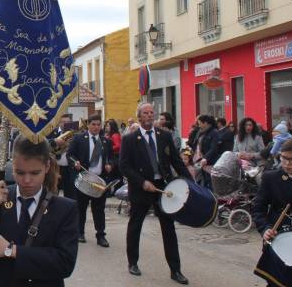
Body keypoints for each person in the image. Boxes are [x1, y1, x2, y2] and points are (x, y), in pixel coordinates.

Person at [0, 134, 78, 287]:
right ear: (12, 165)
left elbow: (65, 263)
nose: (27, 180)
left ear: (47, 166)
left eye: (35, 173)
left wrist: (11, 250)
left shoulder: (64, 208)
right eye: (20, 172)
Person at [119, 103, 191, 285]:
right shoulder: (129, 139)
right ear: (139, 117)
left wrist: (190, 182)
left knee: (169, 228)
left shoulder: (164, 136)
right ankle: (133, 262)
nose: (150, 116)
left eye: (152, 113)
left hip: (163, 188)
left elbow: (176, 161)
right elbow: (124, 166)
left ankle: (175, 270)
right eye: (146, 113)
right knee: (135, 226)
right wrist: (142, 182)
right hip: (142, 187)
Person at [253, 138, 292, 286]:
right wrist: (265, 229)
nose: (287, 164)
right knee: (276, 281)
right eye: (283, 158)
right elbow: (258, 209)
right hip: (279, 238)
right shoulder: (271, 178)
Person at [67, 115, 113, 247]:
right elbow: (70, 155)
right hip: (84, 180)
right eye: (93, 124)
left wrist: (110, 165)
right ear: (88, 125)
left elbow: (112, 158)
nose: (96, 127)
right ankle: (80, 232)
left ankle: (101, 235)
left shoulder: (105, 141)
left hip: (99, 181)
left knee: (99, 209)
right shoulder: (79, 139)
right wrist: (75, 162)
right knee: (81, 208)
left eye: (98, 124)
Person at [49, 113, 76, 200]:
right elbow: (47, 144)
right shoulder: (52, 133)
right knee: (53, 191)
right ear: (59, 123)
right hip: (55, 166)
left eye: (68, 122)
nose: (65, 124)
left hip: (69, 167)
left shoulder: (74, 135)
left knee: (70, 193)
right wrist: (56, 142)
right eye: (63, 122)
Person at [190, 114, 220, 189]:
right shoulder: (201, 132)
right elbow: (196, 144)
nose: (199, 125)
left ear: (206, 123)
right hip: (200, 161)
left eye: (200, 123)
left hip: (209, 162)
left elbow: (213, 148)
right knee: (201, 181)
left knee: (210, 182)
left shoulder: (214, 133)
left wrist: (206, 158)